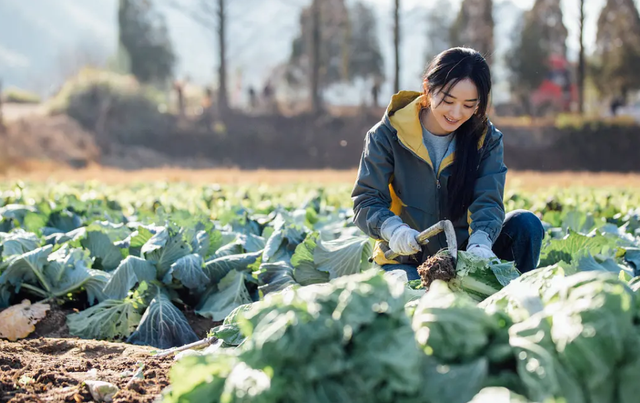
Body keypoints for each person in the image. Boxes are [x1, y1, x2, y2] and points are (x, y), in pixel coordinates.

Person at [351, 47, 544, 281]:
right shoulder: (387, 135)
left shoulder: (486, 140)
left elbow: (488, 200)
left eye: (468, 104)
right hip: (407, 257)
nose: (456, 113)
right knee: (410, 296)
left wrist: (481, 244)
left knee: (527, 224)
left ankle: (514, 294)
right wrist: (393, 230)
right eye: (448, 100)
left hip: (467, 256)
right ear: (428, 88)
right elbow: (366, 200)